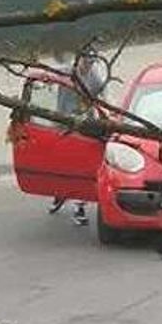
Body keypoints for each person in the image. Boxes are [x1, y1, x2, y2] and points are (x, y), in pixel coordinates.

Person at [49, 48, 108, 227]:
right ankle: (59, 192)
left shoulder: (93, 76)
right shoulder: (67, 72)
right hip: (64, 123)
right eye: (86, 62)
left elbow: (103, 94)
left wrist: (107, 112)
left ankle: (79, 207)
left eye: (91, 62)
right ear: (79, 59)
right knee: (62, 163)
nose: (88, 66)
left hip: (84, 126)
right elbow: (49, 75)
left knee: (81, 166)